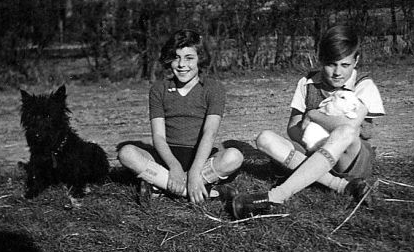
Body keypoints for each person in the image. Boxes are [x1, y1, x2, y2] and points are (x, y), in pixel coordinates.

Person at [232, 25, 385, 219]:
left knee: (345, 132)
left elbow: (350, 127)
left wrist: (313, 115)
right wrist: (315, 146)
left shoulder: (364, 84)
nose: (338, 72)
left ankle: (277, 195)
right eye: (331, 64)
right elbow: (293, 128)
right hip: (314, 150)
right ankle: (341, 186)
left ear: (356, 61)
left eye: (345, 65)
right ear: (321, 60)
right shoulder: (308, 82)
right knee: (265, 138)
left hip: (350, 160)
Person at [118, 29, 243, 204]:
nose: (182, 64)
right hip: (167, 158)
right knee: (126, 153)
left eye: (189, 58)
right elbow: (159, 137)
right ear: (169, 59)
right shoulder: (158, 89)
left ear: (200, 59)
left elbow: (210, 132)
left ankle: (161, 186)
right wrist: (174, 167)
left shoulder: (213, 88)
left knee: (234, 156)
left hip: (200, 156)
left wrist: (194, 170)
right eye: (176, 57)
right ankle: (202, 190)